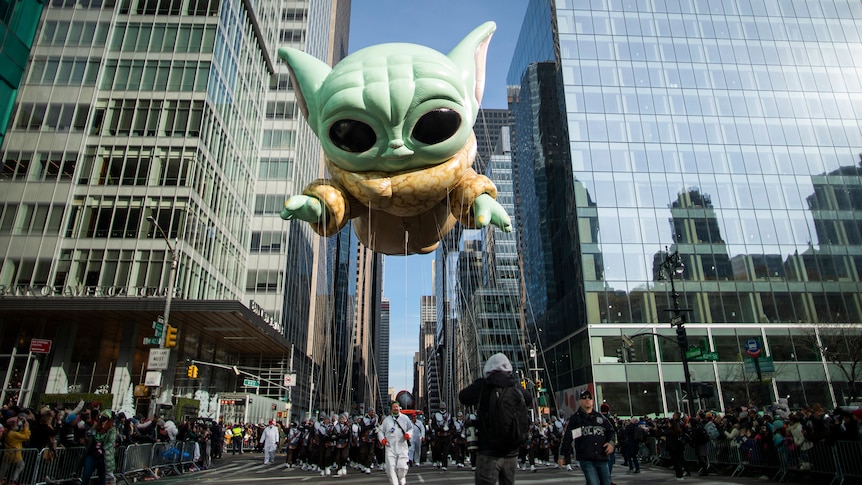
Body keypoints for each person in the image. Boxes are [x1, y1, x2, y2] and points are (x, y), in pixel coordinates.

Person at [458, 352, 533, 485]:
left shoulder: (483, 386)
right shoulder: (515, 386)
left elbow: (463, 397)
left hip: (488, 451)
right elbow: (528, 399)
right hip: (511, 451)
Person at [558, 389, 615, 485]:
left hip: (602, 456)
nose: (587, 400)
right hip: (586, 457)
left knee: (606, 482)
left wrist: (611, 443)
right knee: (594, 482)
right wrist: (562, 455)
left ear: (593, 401)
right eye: (584, 398)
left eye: (589, 398)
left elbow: (611, 431)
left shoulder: (601, 418)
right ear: (580, 401)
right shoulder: (575, 419)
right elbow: (568, 438)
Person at [379, 402, 412, 485]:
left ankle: (401, 477)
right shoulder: (387, 420)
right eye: (394, 407)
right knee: (390, 467)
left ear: (399, 408)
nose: (395, 408)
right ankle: (394, 483)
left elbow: (410, 428)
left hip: (402, 446)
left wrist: (408, 434)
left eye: (396, 407)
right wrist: (382, 439)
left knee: (402, 467)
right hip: (390, 447)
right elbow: (380, 431)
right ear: (391, 409)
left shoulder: (405, 418)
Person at [80, 410, 117, 485]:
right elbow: (89, 434)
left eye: (105, 417)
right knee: (86, 474)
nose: (103, 418)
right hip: (92, 453)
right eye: (102, 416)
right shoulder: (96, 425)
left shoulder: (112, 429)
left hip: (103, 456)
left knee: (102, 476)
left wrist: (102, 449)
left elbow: (111, 442)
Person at [0, 414, 31, 485]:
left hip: (9, 454)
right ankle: (12, 480)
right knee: (20, 465)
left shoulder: (11, 433)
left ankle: (8, 479)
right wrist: (26, 427)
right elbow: (25, 436)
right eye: (15, 424)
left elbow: (22, 435)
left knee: (4, 468)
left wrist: (23, 427)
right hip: (13, 454)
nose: (17, 426)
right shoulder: (12, 434)